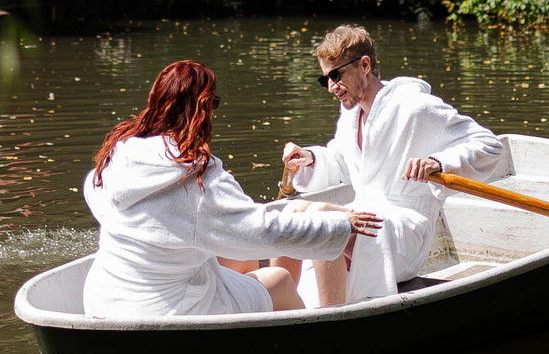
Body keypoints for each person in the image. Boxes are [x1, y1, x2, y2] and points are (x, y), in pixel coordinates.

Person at [81, 59, 382, 319]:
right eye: (213, 104)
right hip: (167, 310)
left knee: (242, 261)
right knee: (279, 280)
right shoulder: (197, 176)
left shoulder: (116, 159)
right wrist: (337, 226)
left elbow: (91, 190)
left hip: (104, 297)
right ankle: (314, 348)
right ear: (202, 110)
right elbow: (261, 232)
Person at [274, 25, 505, 305]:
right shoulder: (351, 115)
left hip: (404, 230)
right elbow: (344, 164)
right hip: (365, 216)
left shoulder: (415, 106)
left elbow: (489, 145)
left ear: (365, 64)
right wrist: (310, 158)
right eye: (325, 80)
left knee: (325, 216)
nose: (332, 87)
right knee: (293, 211)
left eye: (336, 75)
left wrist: (438, 162)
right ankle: (280, 305)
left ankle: (331, 320)